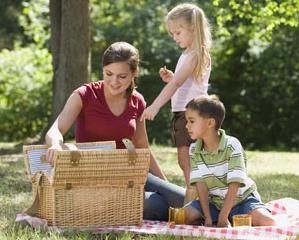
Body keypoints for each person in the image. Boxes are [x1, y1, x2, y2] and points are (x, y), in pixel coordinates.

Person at [45, 41, 185, 221]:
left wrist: (163, 184)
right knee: (154, 204)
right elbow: (55, 129)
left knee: (181, 198)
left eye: (122, 76)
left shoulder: (137, 101)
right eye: (108, 74)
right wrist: (56, 144)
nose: (114, 81)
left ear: (134, 73)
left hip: (129, 172)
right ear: (102, 69)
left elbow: (142, 146)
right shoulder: (84, 95)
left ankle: (225, 214)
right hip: (94, 177)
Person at [141, 3, 212, 189]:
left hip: (191, 114)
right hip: (186, 113)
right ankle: (194, 193)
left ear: (193, 29)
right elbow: (185, 82)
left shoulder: (195, 55)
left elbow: (177, 84)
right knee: (186, 158)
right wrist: (172, 77)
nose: (174, 37)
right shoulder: (188, 54)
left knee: (188, 158)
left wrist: (155, 106)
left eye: (178, 33)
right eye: (172, 33)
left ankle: (194, 195)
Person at [184, 95, 276, 227]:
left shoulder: (232, 145)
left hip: (242, 201)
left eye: (191, 121)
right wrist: (208, 217)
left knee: (269, 222)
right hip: (213, 204)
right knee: (182, 217)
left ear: (210, 123)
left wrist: (223, 216)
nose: (187, 126)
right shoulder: (194, 149)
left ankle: (229, 218)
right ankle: (224, 220)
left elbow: (235, 184)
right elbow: (201, 186)